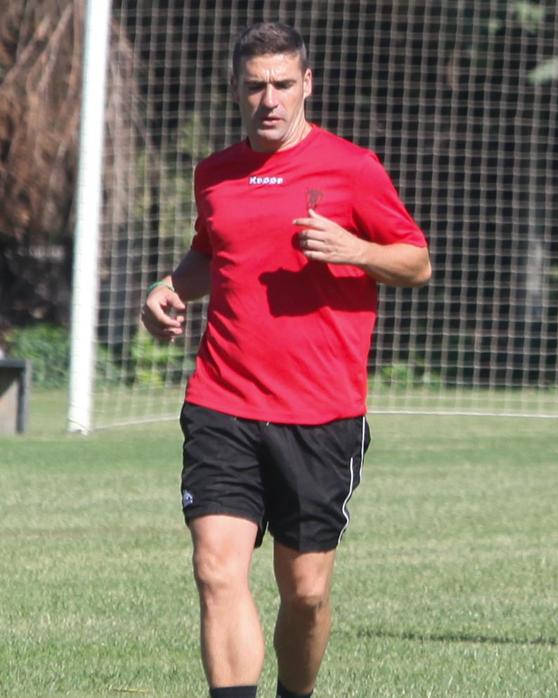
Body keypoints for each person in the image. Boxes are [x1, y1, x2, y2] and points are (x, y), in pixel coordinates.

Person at [140, 22, 431, 698]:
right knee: (217, 571)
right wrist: (169, 288)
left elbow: (416, 262)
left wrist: (356, 251)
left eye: (280, 84)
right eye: (254, 87)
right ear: (236, 91)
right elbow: (211, 253)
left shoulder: (353, 168)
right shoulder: (213, 174)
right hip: (222, 402)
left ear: (307, 85)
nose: (268, 99)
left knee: (304, 593)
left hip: (320, 413)